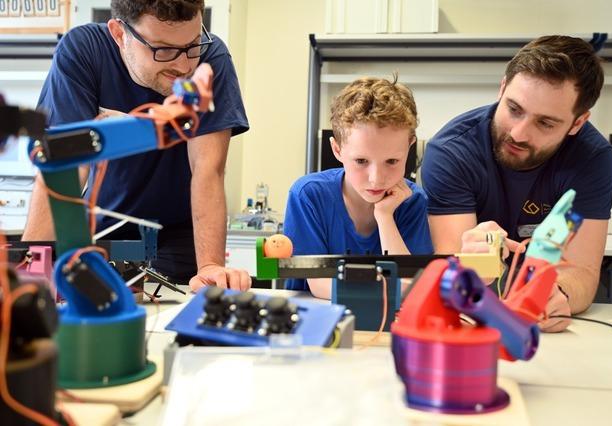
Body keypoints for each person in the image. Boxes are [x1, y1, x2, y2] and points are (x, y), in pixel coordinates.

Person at [22, 0, 251, 292]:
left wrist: (209, 266)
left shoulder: (211, 56)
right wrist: (34, 272)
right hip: (103, 228)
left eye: (192, 45)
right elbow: (62, 168)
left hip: (179, 234)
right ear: (120, 34)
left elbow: (208, 169)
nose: (184, 66)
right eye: (163, 50)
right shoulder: (84, 50)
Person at [421, 35, 612, 332]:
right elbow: (453, 273)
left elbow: (583, 272)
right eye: (514, 109)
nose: (519, 133)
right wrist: (467, 265)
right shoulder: (451, 152)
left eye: (545, 123)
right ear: (502, 88)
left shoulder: (592, 159)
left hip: (541, 330)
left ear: (578, 123)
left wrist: (559, 294)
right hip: (472, 323)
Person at [284, 77, 433, 298]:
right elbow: (320, 284)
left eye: (391, 161)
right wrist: (392, 288)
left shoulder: (412, 201)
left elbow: (411, 286)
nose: (376, 179)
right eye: (361, 161)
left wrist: (384, 216)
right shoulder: (308, 195)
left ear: (409, 146)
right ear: (337, 149)